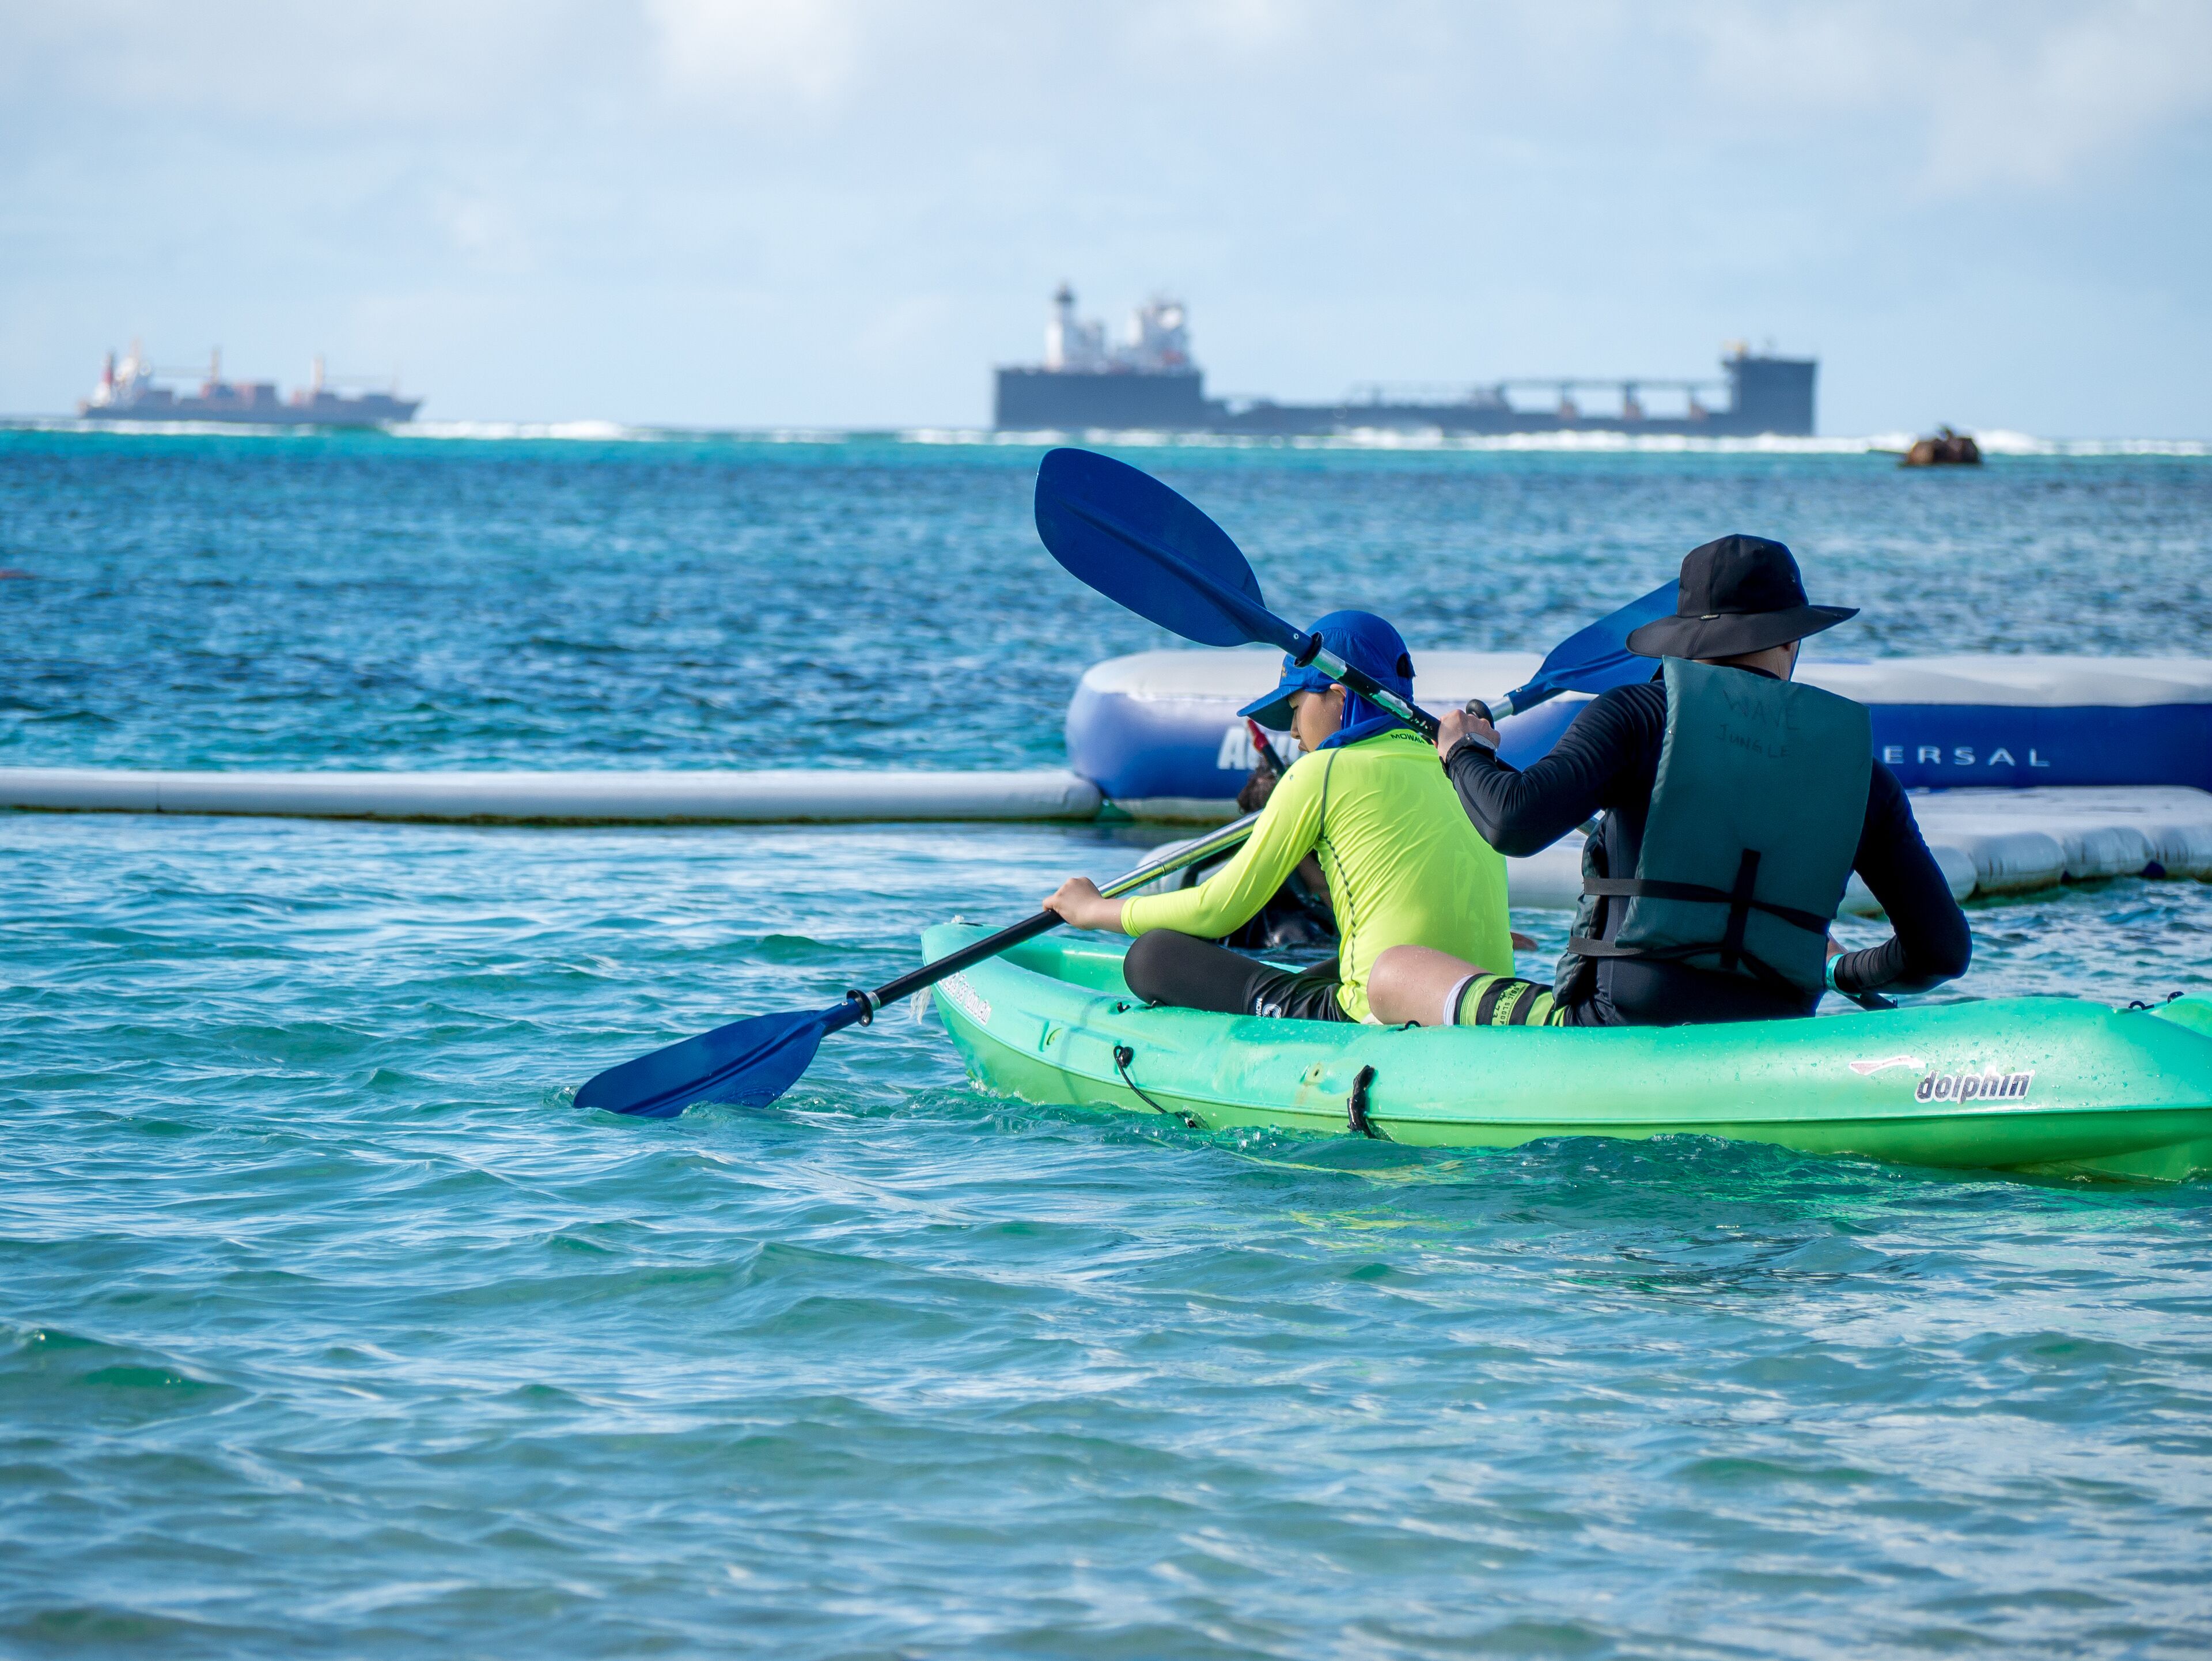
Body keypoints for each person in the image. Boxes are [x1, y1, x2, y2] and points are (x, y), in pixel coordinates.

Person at [1369, 535, 1971, 1028]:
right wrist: (1840, 971)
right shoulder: (1859, 772)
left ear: (1686, 643)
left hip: (1614, 1028)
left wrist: (1463, 753)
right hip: (1777, 1029)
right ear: (1792, 640)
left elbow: (1511, 821)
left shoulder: (1637, 715)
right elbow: (1942, 952)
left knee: (1394, 971)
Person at [1041, 610, 1514, 1023]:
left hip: (1383, 1010)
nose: (1291, 730)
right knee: (1331, 961)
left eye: (1295, 706)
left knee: (1152, 955)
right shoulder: (1463, 768)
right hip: (1477, 1001)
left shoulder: (1322, 770)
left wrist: (1095, 910)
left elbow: (1216, 909)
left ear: (1337, 696)